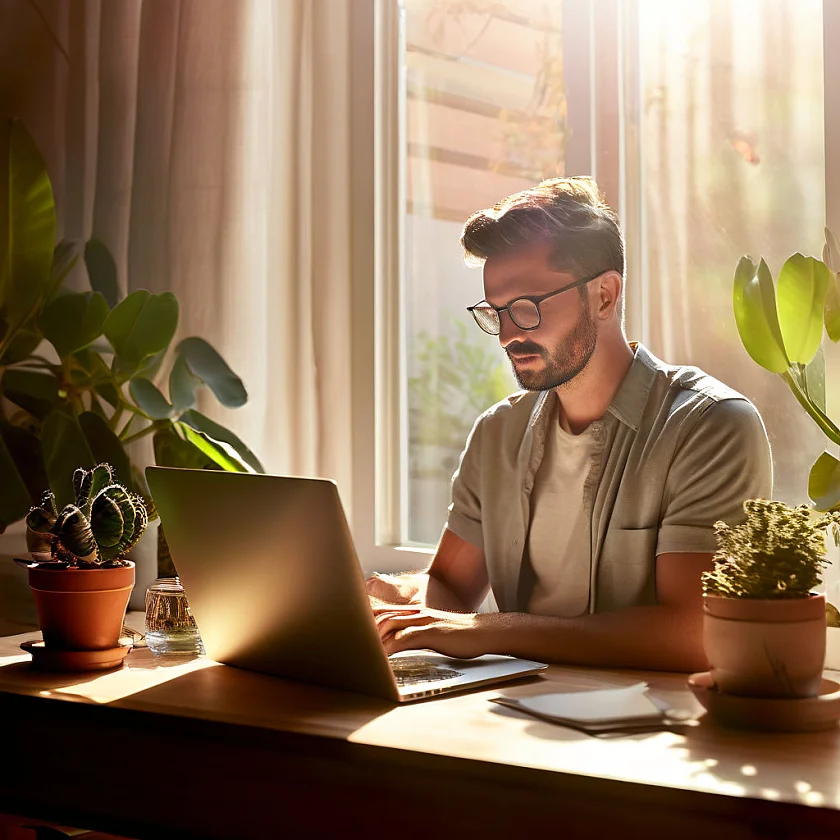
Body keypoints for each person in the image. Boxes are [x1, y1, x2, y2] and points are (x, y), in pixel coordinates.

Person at [368, 177, 772, 672]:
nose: (508, 336)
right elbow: (451, 586)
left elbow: (694, 633)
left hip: (646, 732)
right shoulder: (497, 434)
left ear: (604, 295)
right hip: (511, 711)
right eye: (496, 313)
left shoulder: (709, 426)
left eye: (527, 307)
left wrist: (484, 631)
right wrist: (397, 601)